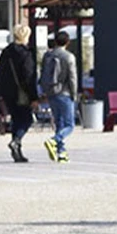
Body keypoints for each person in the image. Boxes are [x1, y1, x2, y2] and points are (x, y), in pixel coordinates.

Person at [0, 24, 38, 162]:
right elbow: (29, 76)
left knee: (17, 119)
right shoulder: (26, 53)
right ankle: (16, 141)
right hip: (21, 93)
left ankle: (17, 151)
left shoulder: (6, 51)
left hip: (6, 92)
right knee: (27, 119)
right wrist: (34, 97)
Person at [40, 30, 78, 163]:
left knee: (59, 122)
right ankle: (54, 141)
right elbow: (72, 77)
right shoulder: (69, 57)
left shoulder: (47, 56)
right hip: (65, 93)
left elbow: (42, 74)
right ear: (67, 42)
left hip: (51, 93)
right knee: (69, 125)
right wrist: (74, 93)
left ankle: (61, 152)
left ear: (55, 41)